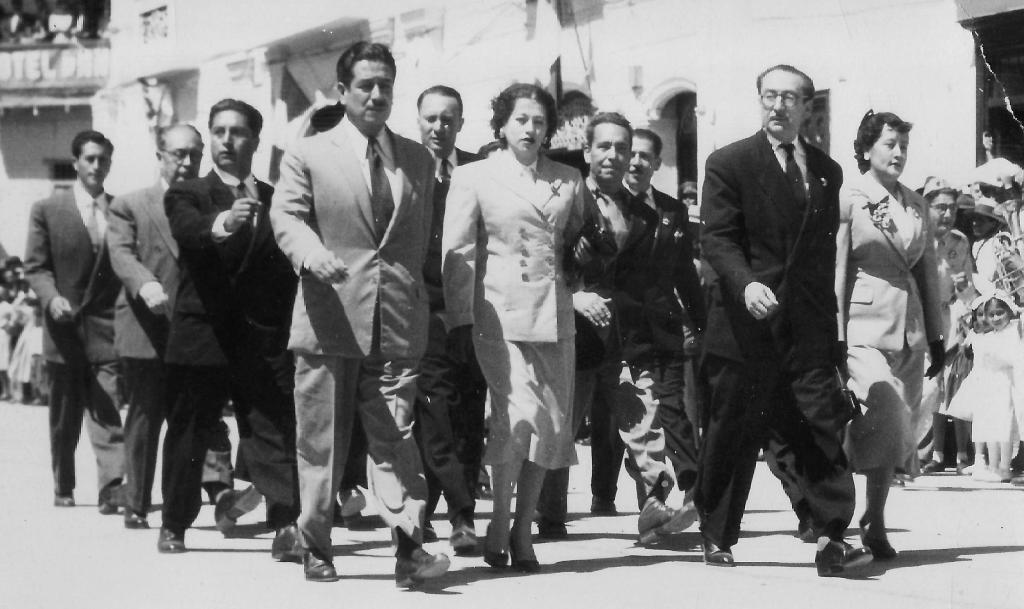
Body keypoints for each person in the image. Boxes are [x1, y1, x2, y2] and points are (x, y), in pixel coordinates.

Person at [270, 41, 449, 586]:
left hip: (395, 320)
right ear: (342, 92)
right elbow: (287, 216)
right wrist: (310, 254)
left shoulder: (418, 159)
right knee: (322, 441)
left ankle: (409, 548)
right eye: (366, 85)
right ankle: (316, 543)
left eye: (385, 85)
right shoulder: (308, 153)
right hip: (329, 317)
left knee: (396, 437)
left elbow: (417, 239)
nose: (376, 95)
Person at [696, 64, 870, 576]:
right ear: (760, 101)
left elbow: (821, 258)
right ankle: (716, 533)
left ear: (807, 108)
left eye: (790, 98)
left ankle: (833, 536)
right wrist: (745, 283)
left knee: (821, 427)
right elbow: (717, 238)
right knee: (733, 432)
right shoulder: (729, 163)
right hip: (744, 326)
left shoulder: (826, 171)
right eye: (770, 96)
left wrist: (832, 334)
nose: (778, 106)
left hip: (807, 328)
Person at [442, 83, 584, 572]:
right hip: (498, 316)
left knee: (551, 425)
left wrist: (584, 274)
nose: (530, 129)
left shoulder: (569, 179)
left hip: (554, 315)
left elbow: (581, 243)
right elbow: (458, 251)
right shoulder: (474, 176)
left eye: (539, 121)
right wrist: (459, 317)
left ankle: (524, 528)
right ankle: (500, 520)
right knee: (517, 419)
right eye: (521, 119)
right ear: (502, 125)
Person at [160, 99, 301, 561]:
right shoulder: (188, 193)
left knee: (272, 430)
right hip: (203, 336)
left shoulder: (277, 197)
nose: (226, 140)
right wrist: (224, 222)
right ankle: (174, 523)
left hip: (261, 340)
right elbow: (189, 230)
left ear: (255, 140)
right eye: (218, 131)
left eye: (237, 132)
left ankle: (286, 525)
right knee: (190, 432)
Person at [107, 124, 242, 530]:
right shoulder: (130, 204)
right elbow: (121, 253)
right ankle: (136, 502)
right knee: (146, 416)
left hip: (198, 330)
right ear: (160, 157)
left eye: (194, 154)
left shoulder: (216, 201)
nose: (186, 162)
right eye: (178, 154)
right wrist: (144, 283)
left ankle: (219, 491)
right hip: (149, 327)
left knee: (203, 414)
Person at [836, 110, 944, 560]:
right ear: (866, 150)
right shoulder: (850, 197)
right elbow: (838, 268)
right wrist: (834, 333)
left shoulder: (916, 204)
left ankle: (874, 521)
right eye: (889, 144)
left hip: (910, 331)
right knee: (887, 411)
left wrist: (936, 335)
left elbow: (926, 273)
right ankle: (829, 514)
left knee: (893, 430)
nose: (898, 153)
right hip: (862, 326)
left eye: (904, 145)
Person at [24, 129, 125, 513]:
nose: (97, 166)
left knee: (107, 409)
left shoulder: (120, 210)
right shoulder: (47, 209)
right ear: (76, 163)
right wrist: (51, 298)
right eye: (90, 159)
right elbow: (36, 267)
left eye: (103, 159)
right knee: (64, 418)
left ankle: (111, 487)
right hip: (63, 331)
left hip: (106, 330)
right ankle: (63, 483)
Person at [413, 84, 487, 553]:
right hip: (423, 307)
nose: (439, 127)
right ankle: (457, 513)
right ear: (418, 121)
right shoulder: (406, 171)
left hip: (473, 309)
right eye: (431, 118)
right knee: (434, 410)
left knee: (469, 414)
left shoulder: (480, 172)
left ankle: (451, 514)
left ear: (461, 122)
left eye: (448, 118)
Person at [919, 185, 977, 475]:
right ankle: (907, 453)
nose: (947, 213)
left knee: (938, 389)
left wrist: (965, 292)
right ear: (926, 207)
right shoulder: (916, 238)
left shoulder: (959, 242)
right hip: (916, 318)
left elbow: (967, 291)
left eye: (952, 208)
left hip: (947, 320)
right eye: (940, 207)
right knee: (921, 388)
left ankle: (920, 454)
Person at [947, 291, 1023, 482]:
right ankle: (992, 465)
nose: (995, 318)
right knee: (990, 427)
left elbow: (1013, 358)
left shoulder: (1013, 332)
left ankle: (1004, 467)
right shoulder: (989, 336)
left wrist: (994, 356)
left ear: (1009, 312)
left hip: (1005, 384)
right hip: (989, 386)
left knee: (1004, 427)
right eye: (991, 314)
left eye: (1000, 313)